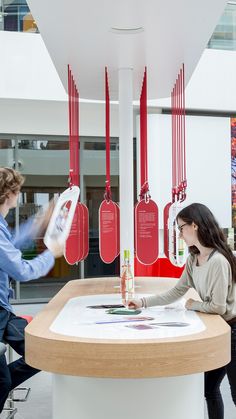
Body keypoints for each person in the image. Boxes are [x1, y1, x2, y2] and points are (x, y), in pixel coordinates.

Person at [129, 203, 236, 419]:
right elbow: (177, 291)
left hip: (232, 331)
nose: (179, 233)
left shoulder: (218, 261)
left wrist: (193, 304)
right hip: (219, 331)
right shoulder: (193, 259)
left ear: (194, 226)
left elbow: (218, 307)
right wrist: (142, 302)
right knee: (208, 389)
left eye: (180, 228)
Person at [0, 167, 63, 414]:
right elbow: (22, 271)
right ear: (10, 193)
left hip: (3, 311)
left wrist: (38, 223)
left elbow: (10, 249)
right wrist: (51, 255)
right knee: (3, 381)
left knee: (45, 352)